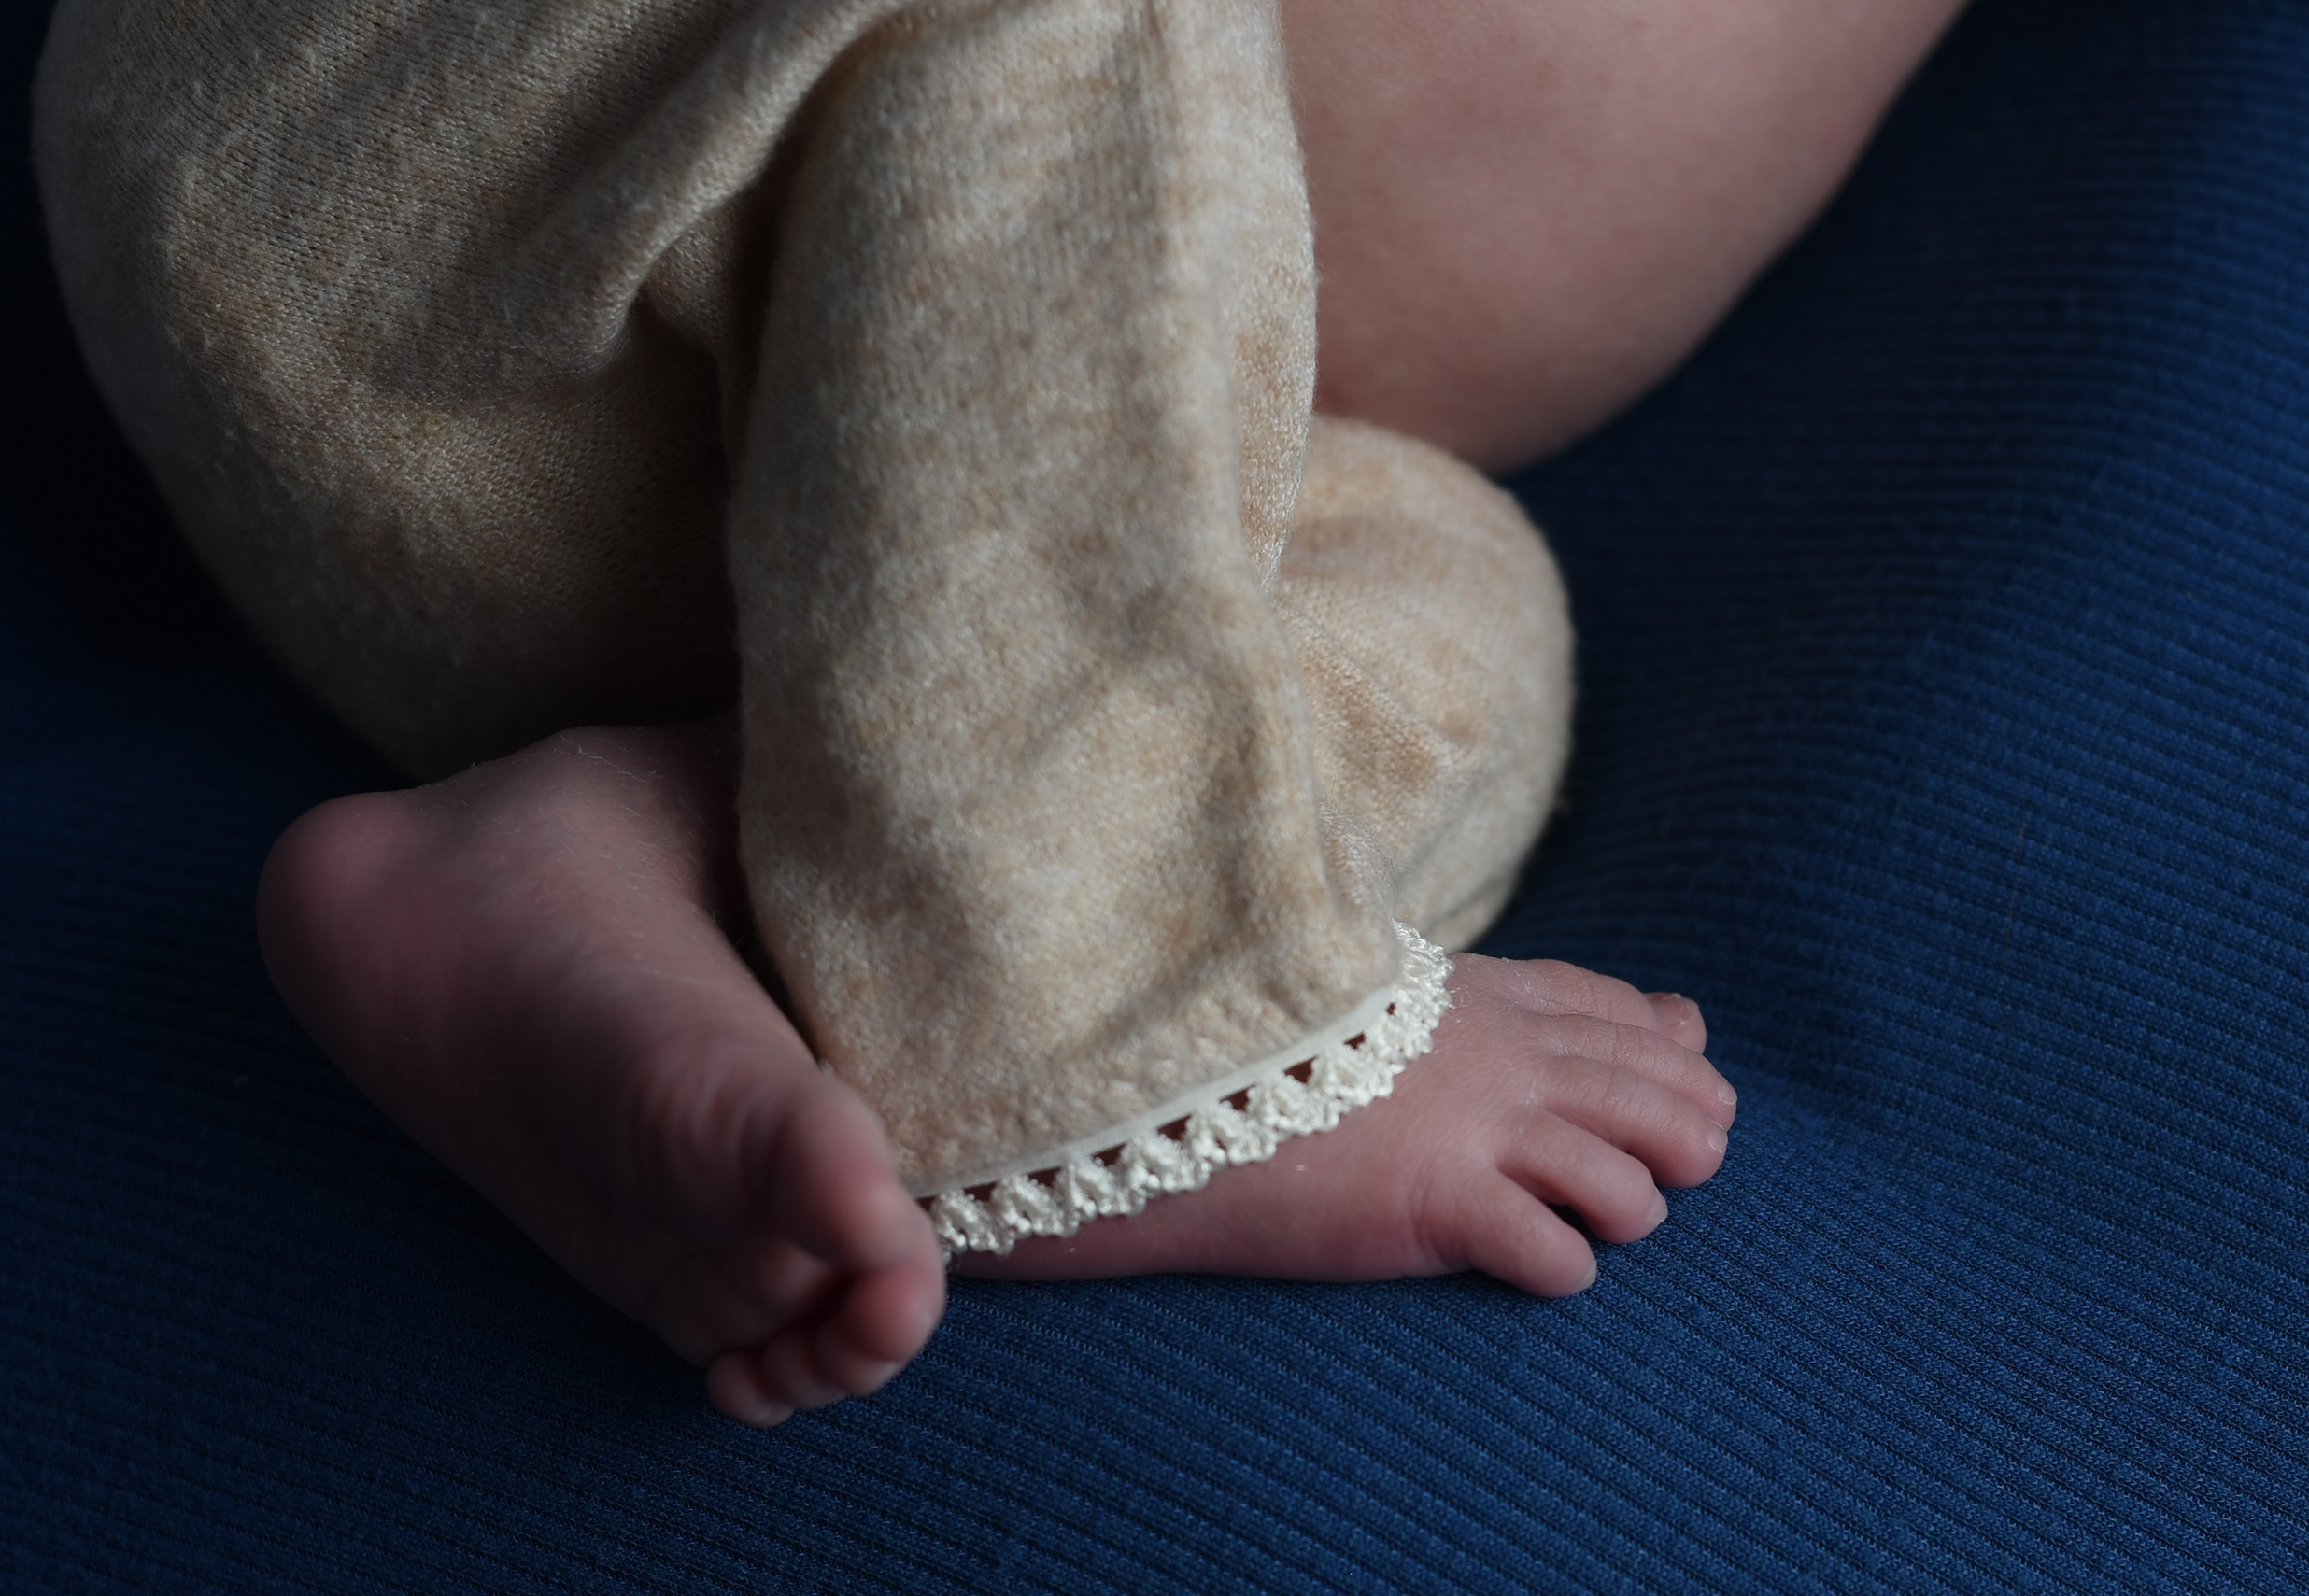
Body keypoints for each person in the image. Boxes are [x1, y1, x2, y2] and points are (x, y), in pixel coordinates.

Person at [33, 0, 1964, 1426]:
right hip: (441, 166)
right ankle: (1094, 996)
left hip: (897, 538)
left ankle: (643, 842)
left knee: (1463, 617)